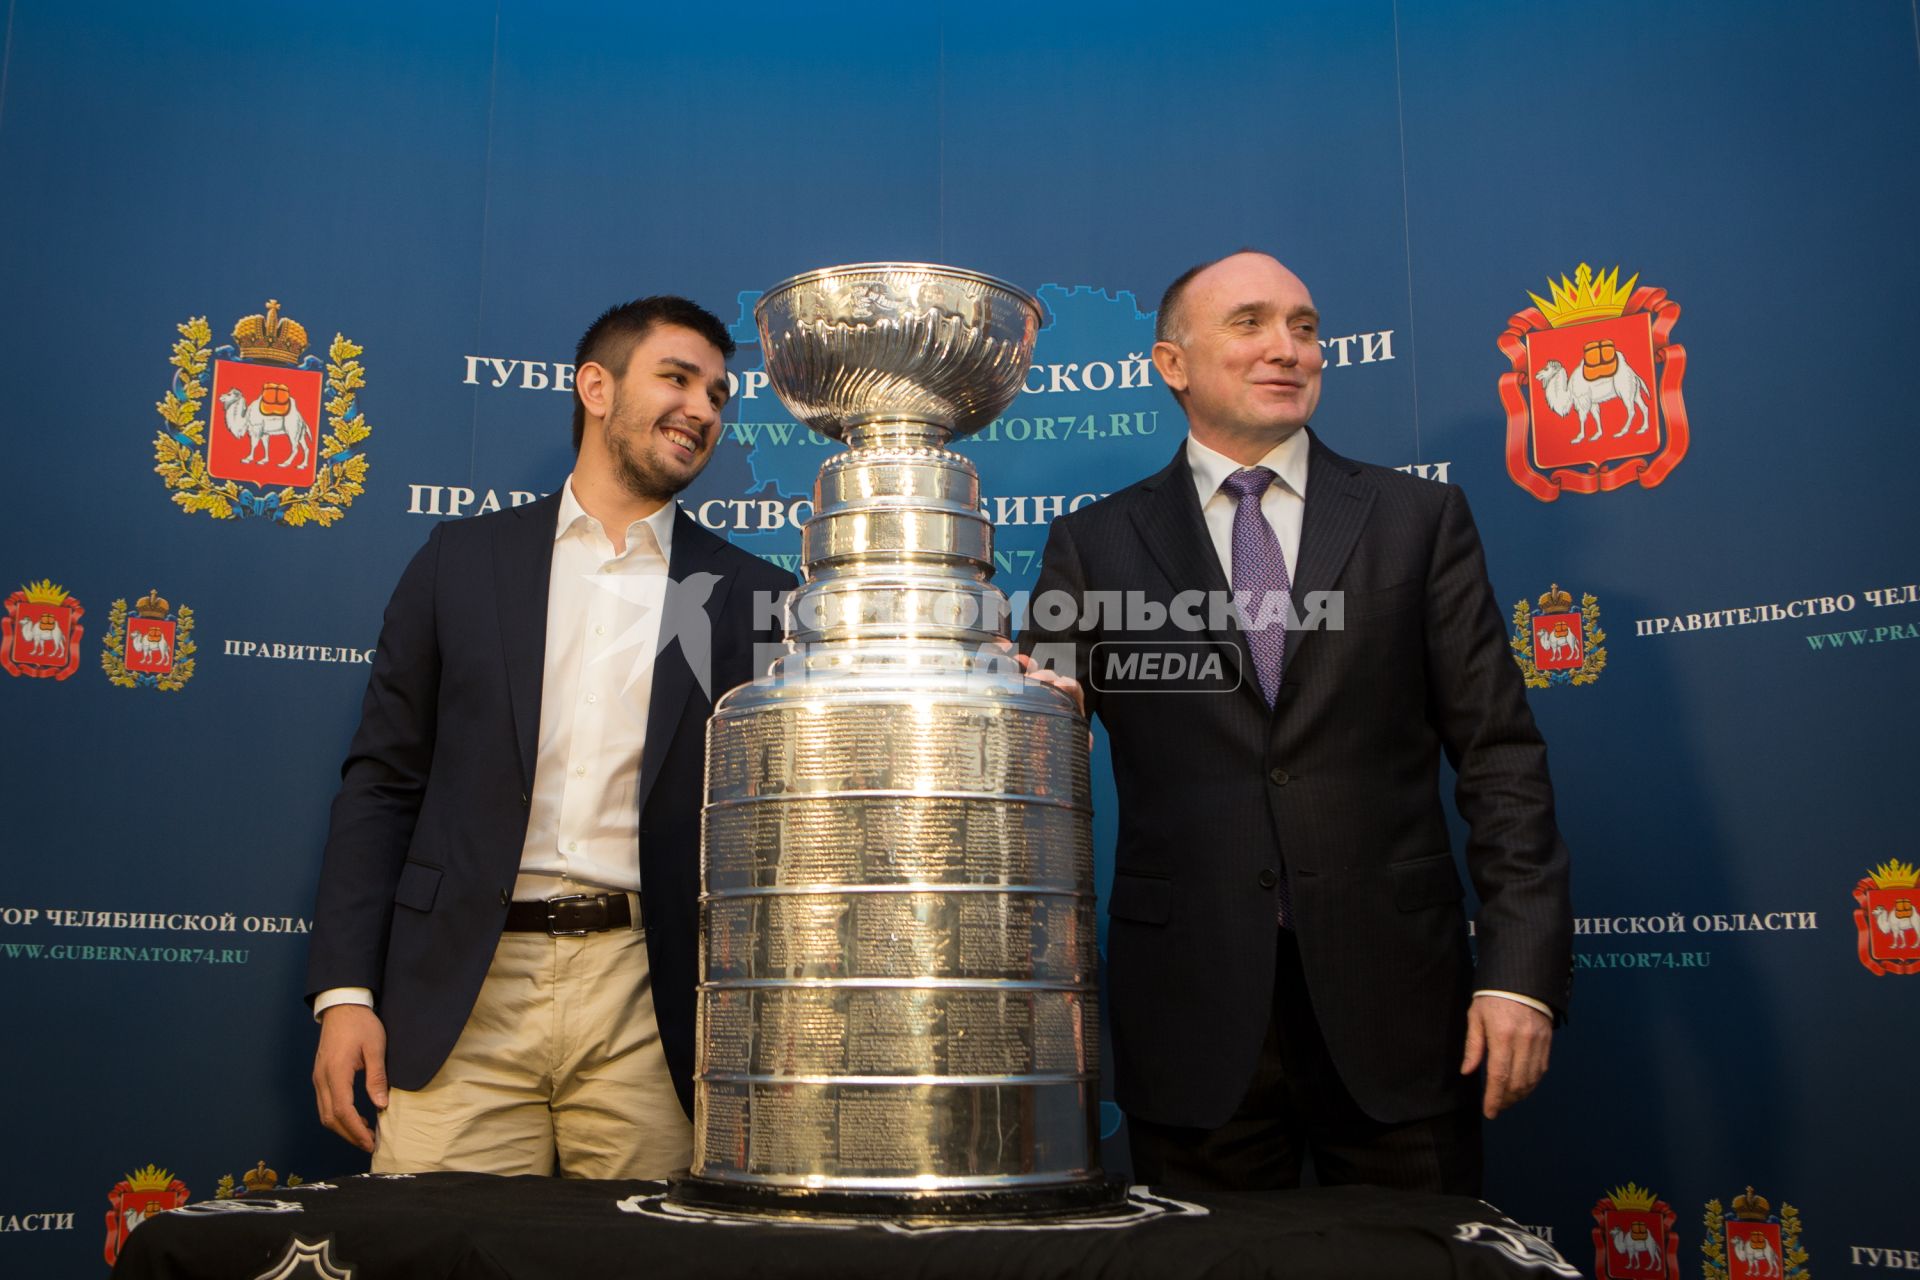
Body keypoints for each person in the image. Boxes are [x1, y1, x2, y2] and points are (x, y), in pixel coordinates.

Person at [1017, 251, 1572, 1194]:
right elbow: (1048, 733)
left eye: (1305, 327)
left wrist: (1519, 972)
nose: (1289, 349)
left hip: (1399, 1002)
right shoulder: (1095, 542)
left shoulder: (1418, 519)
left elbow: (1501, 756)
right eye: (1250, 323)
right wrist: (1031, 713)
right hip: (1190, 1009)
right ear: (1171, 364)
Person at [306, 296, 796, 1178]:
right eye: (677, 379)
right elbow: (381, 784)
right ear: (596, 388)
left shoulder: (755, 595)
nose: (703, 410)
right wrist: (346, 996)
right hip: (462, 996)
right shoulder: (460, 562)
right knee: (435, 1251)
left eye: (720, 396)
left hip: (653, 1009)